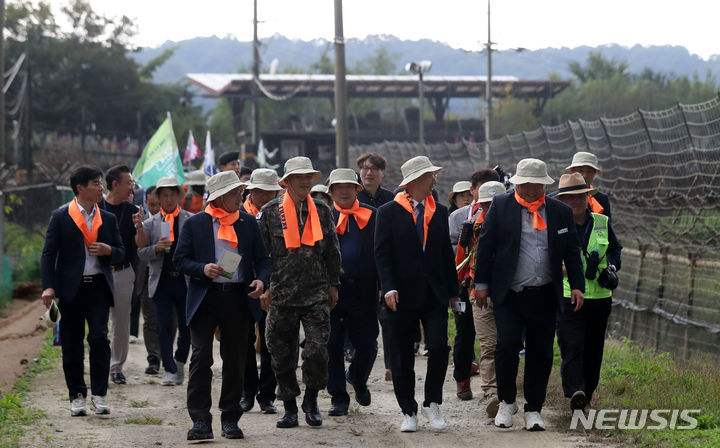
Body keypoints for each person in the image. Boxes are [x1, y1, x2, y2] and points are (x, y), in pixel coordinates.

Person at [474, 158, 585, 431]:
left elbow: (572, 250)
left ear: (544, 185)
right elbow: (485, 247)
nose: (532, 190)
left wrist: (577, 285)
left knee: (541, 352)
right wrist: (481, 285)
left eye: (537, 185)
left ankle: (534, 408)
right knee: (508, 345)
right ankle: (506, 402)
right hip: (510, 293)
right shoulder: (501, 207)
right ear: (517, 185)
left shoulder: (560, 211)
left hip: (545, 294)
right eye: (526, 185)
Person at [174, 170, 272, 440]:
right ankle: (200, 421)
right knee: (200, 357)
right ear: (218, 197)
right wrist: (202, 268)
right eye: (235, 193)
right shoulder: (196, 224)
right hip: (204, 299)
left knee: (235, 360)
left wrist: (262, 282)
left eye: (241, 192)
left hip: (238, 298)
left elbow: (264, 260)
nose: (240, 197)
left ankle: (230, 417)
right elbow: (179, 260)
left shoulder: (247, 223)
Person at [374, 156, 460, 433]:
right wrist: (388, 286)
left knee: (438, 347)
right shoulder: (388, 212)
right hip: (401, 294)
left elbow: (446, 255)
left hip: (434, 293)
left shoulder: (440, 211)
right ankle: (408, 409)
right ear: (413, 182)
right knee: (401, 355)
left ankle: (431, 403)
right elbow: (382, 254)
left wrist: (453, 292)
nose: (434, 181)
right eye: (429, 176)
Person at [258, 156, 341, 429]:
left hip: (316, 293)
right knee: (280, 355)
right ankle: (290, 407)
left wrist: (333, 285)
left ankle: (312, 400)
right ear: (287, 181)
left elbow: (332, 251)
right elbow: (260, 255)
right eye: (299, 177)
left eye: (309, 176)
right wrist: (264, 286)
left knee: (317, 351)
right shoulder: (270, 212)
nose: (306, 181)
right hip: (281, 295)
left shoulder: (322, 209)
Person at [40, 166, 125, 416]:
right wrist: (48, 286)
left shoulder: (107, 218)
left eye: (101, 183)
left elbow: (121, 251)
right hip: (70, 290)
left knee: (99, 338)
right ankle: (76, 395)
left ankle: (99, 394)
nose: (101, 188)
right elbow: (48, 255)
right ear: (80, 188)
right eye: (96, 183)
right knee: (72, 343)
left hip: (98, 287)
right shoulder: (61, 216)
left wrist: (108, 250)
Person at [553, 173, 622, 412]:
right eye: (570, 198)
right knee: (572, 345)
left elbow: (615, 249)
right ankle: (575, 390)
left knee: (594, 349)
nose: (576, 201)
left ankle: (587, 395)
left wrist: (611, 268)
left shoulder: (602, 222)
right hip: (568, 295)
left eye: (581, 196)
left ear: (587, 197)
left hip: (600, 297)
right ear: (562, 200)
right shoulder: (556, 224)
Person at [325, 168, 378, 417]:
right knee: (331, 344)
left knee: (368, 344)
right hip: (332, 290)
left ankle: (357, 376)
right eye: (338, 187)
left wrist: (382, 285)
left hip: (364, 289)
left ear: (357, 189)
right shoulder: (323, 216)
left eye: (349, 186)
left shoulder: (373, 216)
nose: (344, 190)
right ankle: (338, 397)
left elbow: (383, 254)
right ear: (331, 191)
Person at [447, 169, 501, 404]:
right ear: (473, 190)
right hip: (462, 285)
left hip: (494, 285)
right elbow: (449, 248)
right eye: (482, 187)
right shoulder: (459, 217)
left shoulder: (504, 214)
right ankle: (463, 379)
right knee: (464, 333)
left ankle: (496, 386)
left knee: (495, 337)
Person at [137, 177, 192, 386]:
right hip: (161, 281)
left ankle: (179, 361)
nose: (168, 199)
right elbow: (141, 253)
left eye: (172, 195)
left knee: (187, 327)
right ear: (158, 198)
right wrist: (157, 248)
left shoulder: (190, 220)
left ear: (179, 196)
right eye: (164, 195)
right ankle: (169, 368)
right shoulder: (149, 224)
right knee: (163, 326)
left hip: (184, 281)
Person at [239, 168, 283, 415]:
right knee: (244, 341)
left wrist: (272, 284)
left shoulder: (283, 215)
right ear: (251, 191)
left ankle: (267, 395)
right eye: (261, 192)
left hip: (274, 285)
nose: (267, 197)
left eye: (271, 192)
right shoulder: (238, 213)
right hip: (243, 285)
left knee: (271, 343)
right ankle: (247, 391)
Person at [355, 152, 394, 381]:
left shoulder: (391, 199)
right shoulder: (353, 198)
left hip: (385, 265)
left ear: (382, 173)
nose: (368, 173)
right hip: (360, 266)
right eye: (365, 169)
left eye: (374, 169)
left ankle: (391, 365)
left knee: (388, 319)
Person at [132, 186, 167, 375]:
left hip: (166, 275)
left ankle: (166, 353)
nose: (155, 208)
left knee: (169, 319)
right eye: (151, 204)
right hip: (145, 275)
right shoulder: (141, 221)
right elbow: (139, 250)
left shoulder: (171, 220)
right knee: (150, 318)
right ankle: (153, 357)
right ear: (145, 203)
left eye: (158, 204)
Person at [565, 152, 611, 219]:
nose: (585, 176)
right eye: (581, 170)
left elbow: (607, 227)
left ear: (594, 173)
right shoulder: (556, 199)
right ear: (572, 171)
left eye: (589, 171)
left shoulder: (602, 199)